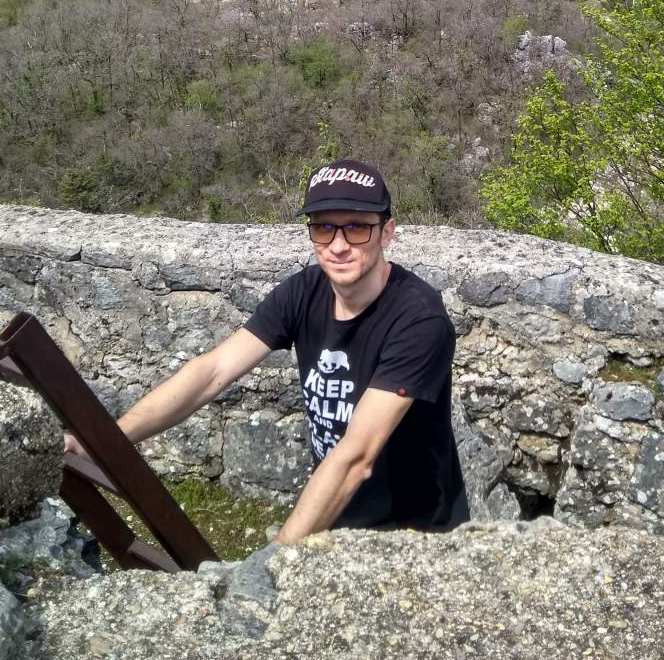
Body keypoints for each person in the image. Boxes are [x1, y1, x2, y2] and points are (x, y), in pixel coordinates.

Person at [65, 159, 469, 544]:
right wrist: (102, 442)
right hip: (334, 522)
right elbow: (211, 372)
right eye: (323, 228)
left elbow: (356, 456)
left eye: (357, 228)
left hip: (414, 536)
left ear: (387, 232)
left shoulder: (418, 320)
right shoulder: (304, 291)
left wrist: (276, 557)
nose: (338, 245)